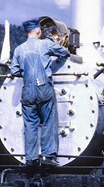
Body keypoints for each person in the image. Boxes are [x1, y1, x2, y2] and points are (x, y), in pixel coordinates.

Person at [10, 18, 70, 166]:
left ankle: (31, 158)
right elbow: (65, 52)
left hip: (28, 90)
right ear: (38, 31)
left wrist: (26, 73)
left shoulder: (19, 49)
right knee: (49, 120)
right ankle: (48, 156)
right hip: (44, 87)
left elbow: (14, 71)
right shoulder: (45, 44)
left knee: (30, 124)